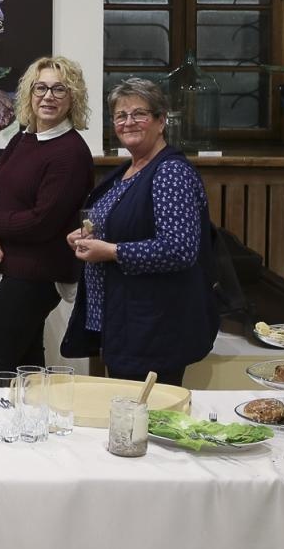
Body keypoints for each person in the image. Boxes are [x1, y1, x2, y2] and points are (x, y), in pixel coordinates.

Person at [62, 77, 219, 387]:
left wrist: (111, 251)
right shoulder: (129, 170)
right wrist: (84, 236)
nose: (128, 122)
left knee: (146, 423)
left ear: (161, 121)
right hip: (125, 324)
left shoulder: (170, 173)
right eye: (121, 115)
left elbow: (178, 249)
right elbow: (121, 225)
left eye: (139, 114)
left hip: (155, 329)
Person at [0, 56, 94, 385]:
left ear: (73, 98)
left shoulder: (71, 153)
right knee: (26, 370)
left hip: (36, 277)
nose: (48, 96)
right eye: (41, 88)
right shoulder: (22, 139)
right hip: (11, 271)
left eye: (59, 89)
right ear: (29, 93)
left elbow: (41, 222)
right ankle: (28, 434)